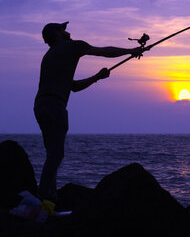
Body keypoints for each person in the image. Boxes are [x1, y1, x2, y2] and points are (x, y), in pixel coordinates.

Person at [34, 21, 142, 203]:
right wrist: (131, 51)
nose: (68, 32)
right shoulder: (73, 46)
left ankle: (50, 197)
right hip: (55, 106)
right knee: (56, 154)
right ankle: (43, 199)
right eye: (63, 30)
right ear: (58, 34)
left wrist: (97, 77)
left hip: (41, 105)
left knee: (52, 153)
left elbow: (73, 87)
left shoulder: (49, 56)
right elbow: (105, 52)